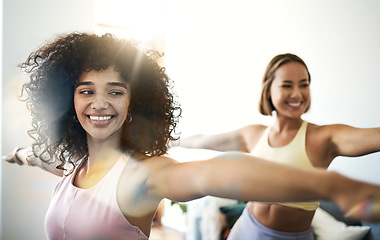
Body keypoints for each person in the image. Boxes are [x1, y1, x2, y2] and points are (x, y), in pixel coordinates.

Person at [3, 34, 380, 240]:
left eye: (115, 91)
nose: (100, 102)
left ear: (134, 101)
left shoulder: (143, 177)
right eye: (86, 90)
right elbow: (42, 159)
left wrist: (333, 186)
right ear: (68, 99)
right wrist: (19, 153)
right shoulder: (75, 167)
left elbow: (218, 172)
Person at [176, 53, 380, 239]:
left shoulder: (322, 137)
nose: (297, 94)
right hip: (245, 229)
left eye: (304, 84)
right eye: (287, 85)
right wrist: (170, 140)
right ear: (268, 90)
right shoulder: (254, 134)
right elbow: (202, 140)